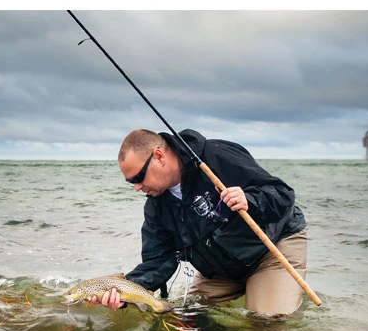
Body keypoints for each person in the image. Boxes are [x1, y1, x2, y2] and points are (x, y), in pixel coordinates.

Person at [94, 128, 309, 317]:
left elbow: (283, 194)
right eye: (130, 182)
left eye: (138, 178)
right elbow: (158, 260)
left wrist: (250, 200)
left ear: (159, 156)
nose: (137, 188)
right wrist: (123, 291)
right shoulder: (155, 206)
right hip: (221, 270)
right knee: (189, 320)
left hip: (271, 250)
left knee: (266, 324)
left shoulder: (217, 156)